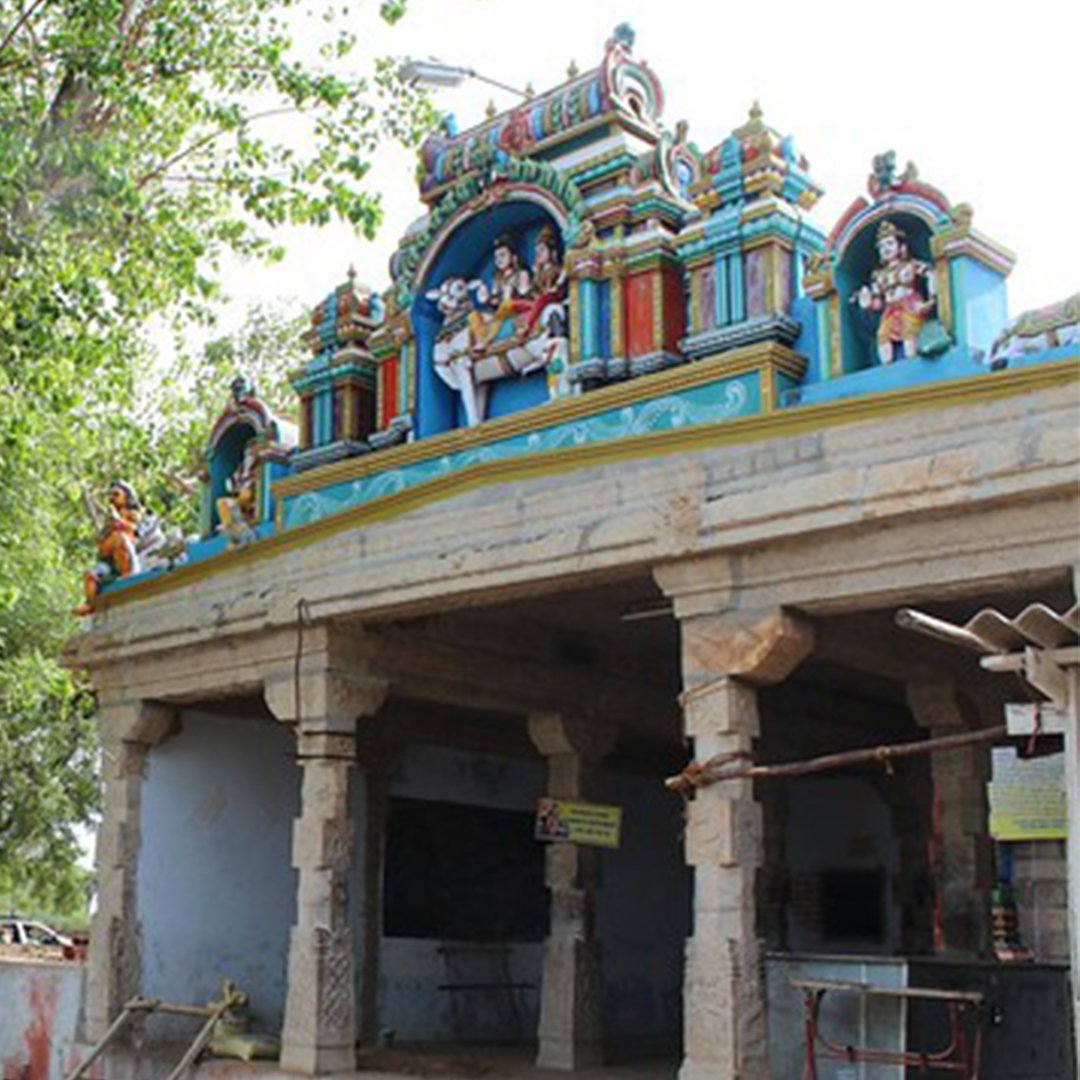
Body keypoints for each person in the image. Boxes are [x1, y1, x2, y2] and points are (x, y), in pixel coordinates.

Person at [857, 220, 935, 364]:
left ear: (901, 247)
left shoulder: (910, 265)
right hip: (890, 310)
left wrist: (931, 297)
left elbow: (930, 273)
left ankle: (912, 363)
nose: (885, 249)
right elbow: (879, 304)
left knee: (909, 330)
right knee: (883, 335)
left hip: (910, 305)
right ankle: (887, 368)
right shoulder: (878, 275)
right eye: (882, 246)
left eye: (890, 243)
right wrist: (867, 303)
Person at [73, 481, 143, 616]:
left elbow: (136, 531)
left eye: (116, 494)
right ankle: (90, 603)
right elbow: (102, 539)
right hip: (110, 561)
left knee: (119, 539)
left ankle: (127, 575)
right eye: (111, 495)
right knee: (90, 575)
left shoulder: (131, 514)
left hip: (127, 556)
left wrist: (120, 522)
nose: (112, 498)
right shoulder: (109, 521)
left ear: (127, 497)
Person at [467, 233, 532, 356]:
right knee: (473, 316)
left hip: (518, 307)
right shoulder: (498, 278)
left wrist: (512, 290)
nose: (499, 260)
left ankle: (484, 341)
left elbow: (525, 293)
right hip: (501, 312)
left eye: (503, 255)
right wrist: (486, 298)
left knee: (506, 305)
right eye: (496, 257)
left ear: (513, 257)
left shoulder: (522, 273)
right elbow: (495, 301)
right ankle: (482, 340)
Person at [517, 224, 568, 342]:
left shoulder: (556, 269)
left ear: (552, 252)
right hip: (538, 303)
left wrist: (557, 283)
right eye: (537, 251)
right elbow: (533, 292)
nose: (538, 254)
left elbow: (558, 285)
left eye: (542, 250)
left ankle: (527, 327)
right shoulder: (538, 273)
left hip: (552, 297)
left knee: (544, 299)